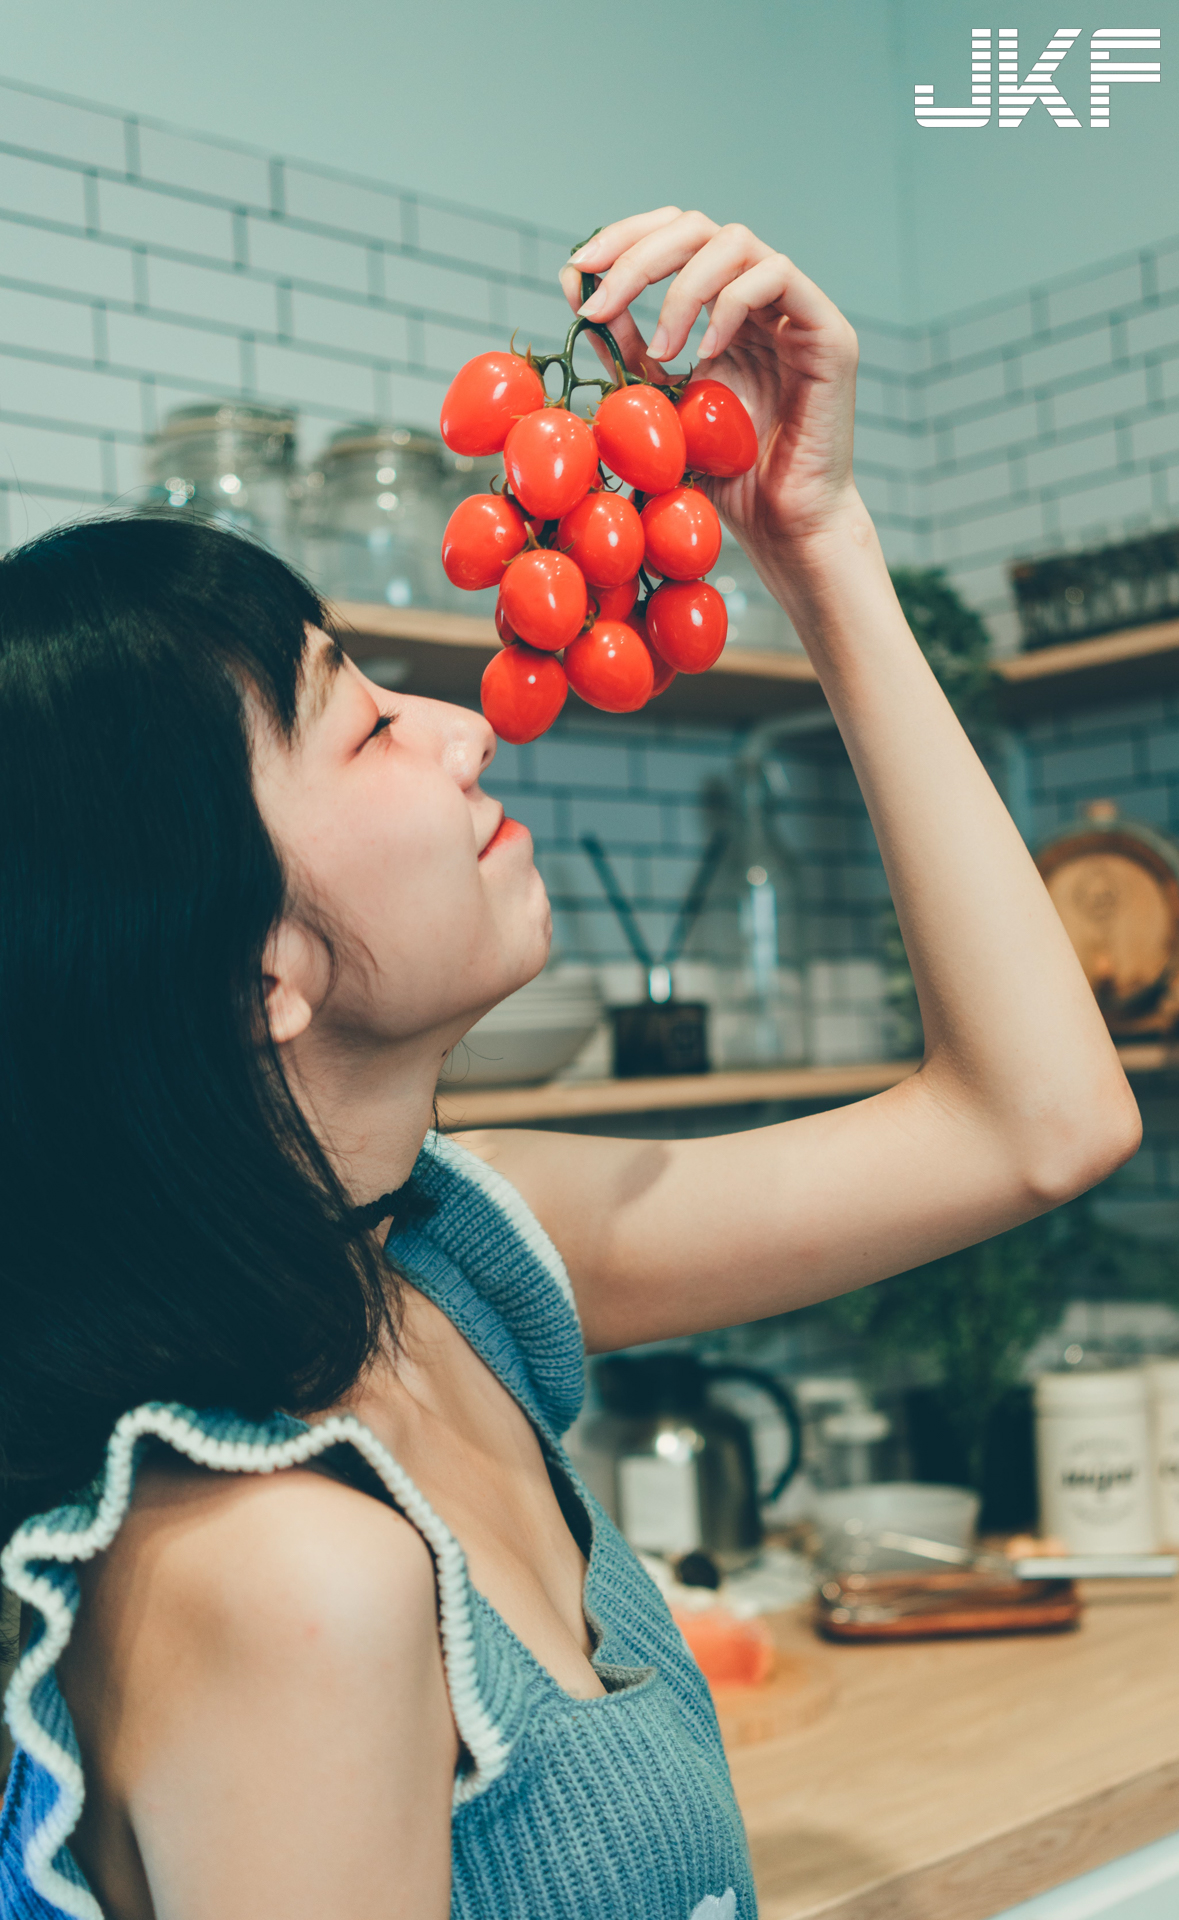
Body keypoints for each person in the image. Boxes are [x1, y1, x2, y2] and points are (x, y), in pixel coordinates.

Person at [0, 207, 1138, 1920]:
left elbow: (1039, 1123)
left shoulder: (453, 1256)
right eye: (367, 719)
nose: (466, 722)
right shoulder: (289, 1578)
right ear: (256, 972)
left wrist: (816, 542)